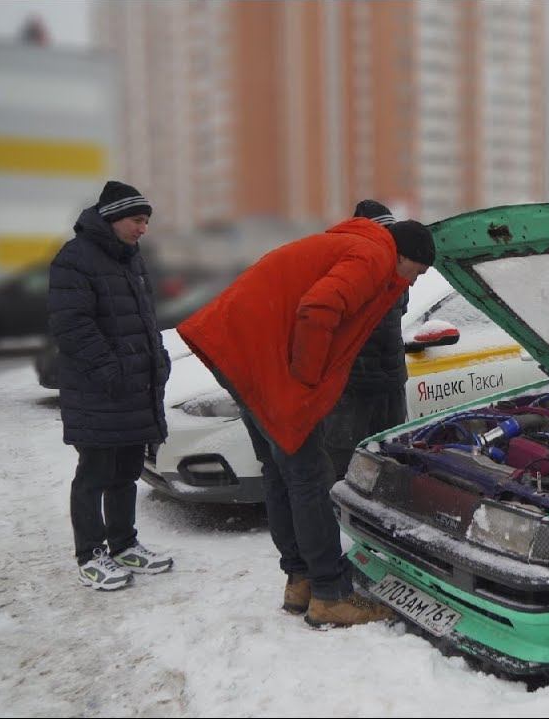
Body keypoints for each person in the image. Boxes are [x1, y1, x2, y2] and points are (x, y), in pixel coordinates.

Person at [176, 207, 435, 628]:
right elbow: (318, 309)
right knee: (310, 475)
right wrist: (307, 380)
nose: (412, 281)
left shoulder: (353, 244)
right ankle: (330, 594)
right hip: (264, 360)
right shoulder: (373, 256)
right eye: (417, 272)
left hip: (243, 351)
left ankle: (300, 581)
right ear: (404, 255)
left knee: (280, 472)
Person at [48, 180, 174, 591]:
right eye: (138, 220)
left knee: (126, 471)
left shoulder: (131, 259)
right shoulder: (75, 258)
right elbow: (72, 326)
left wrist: (158, 356)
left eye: (146, 222)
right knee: (95, 473)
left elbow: (145, 318)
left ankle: (123, 544)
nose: (143, 229)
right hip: (99, 392)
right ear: (114, 218)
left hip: (133, 389)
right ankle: (90, 554)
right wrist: (111, 371)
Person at [322, 201, 411, 481]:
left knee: (390, 455)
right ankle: (341, 515)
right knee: (346, 461)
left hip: (386, 383)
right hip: (353, 386)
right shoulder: (346, 266)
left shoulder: (398, 270)